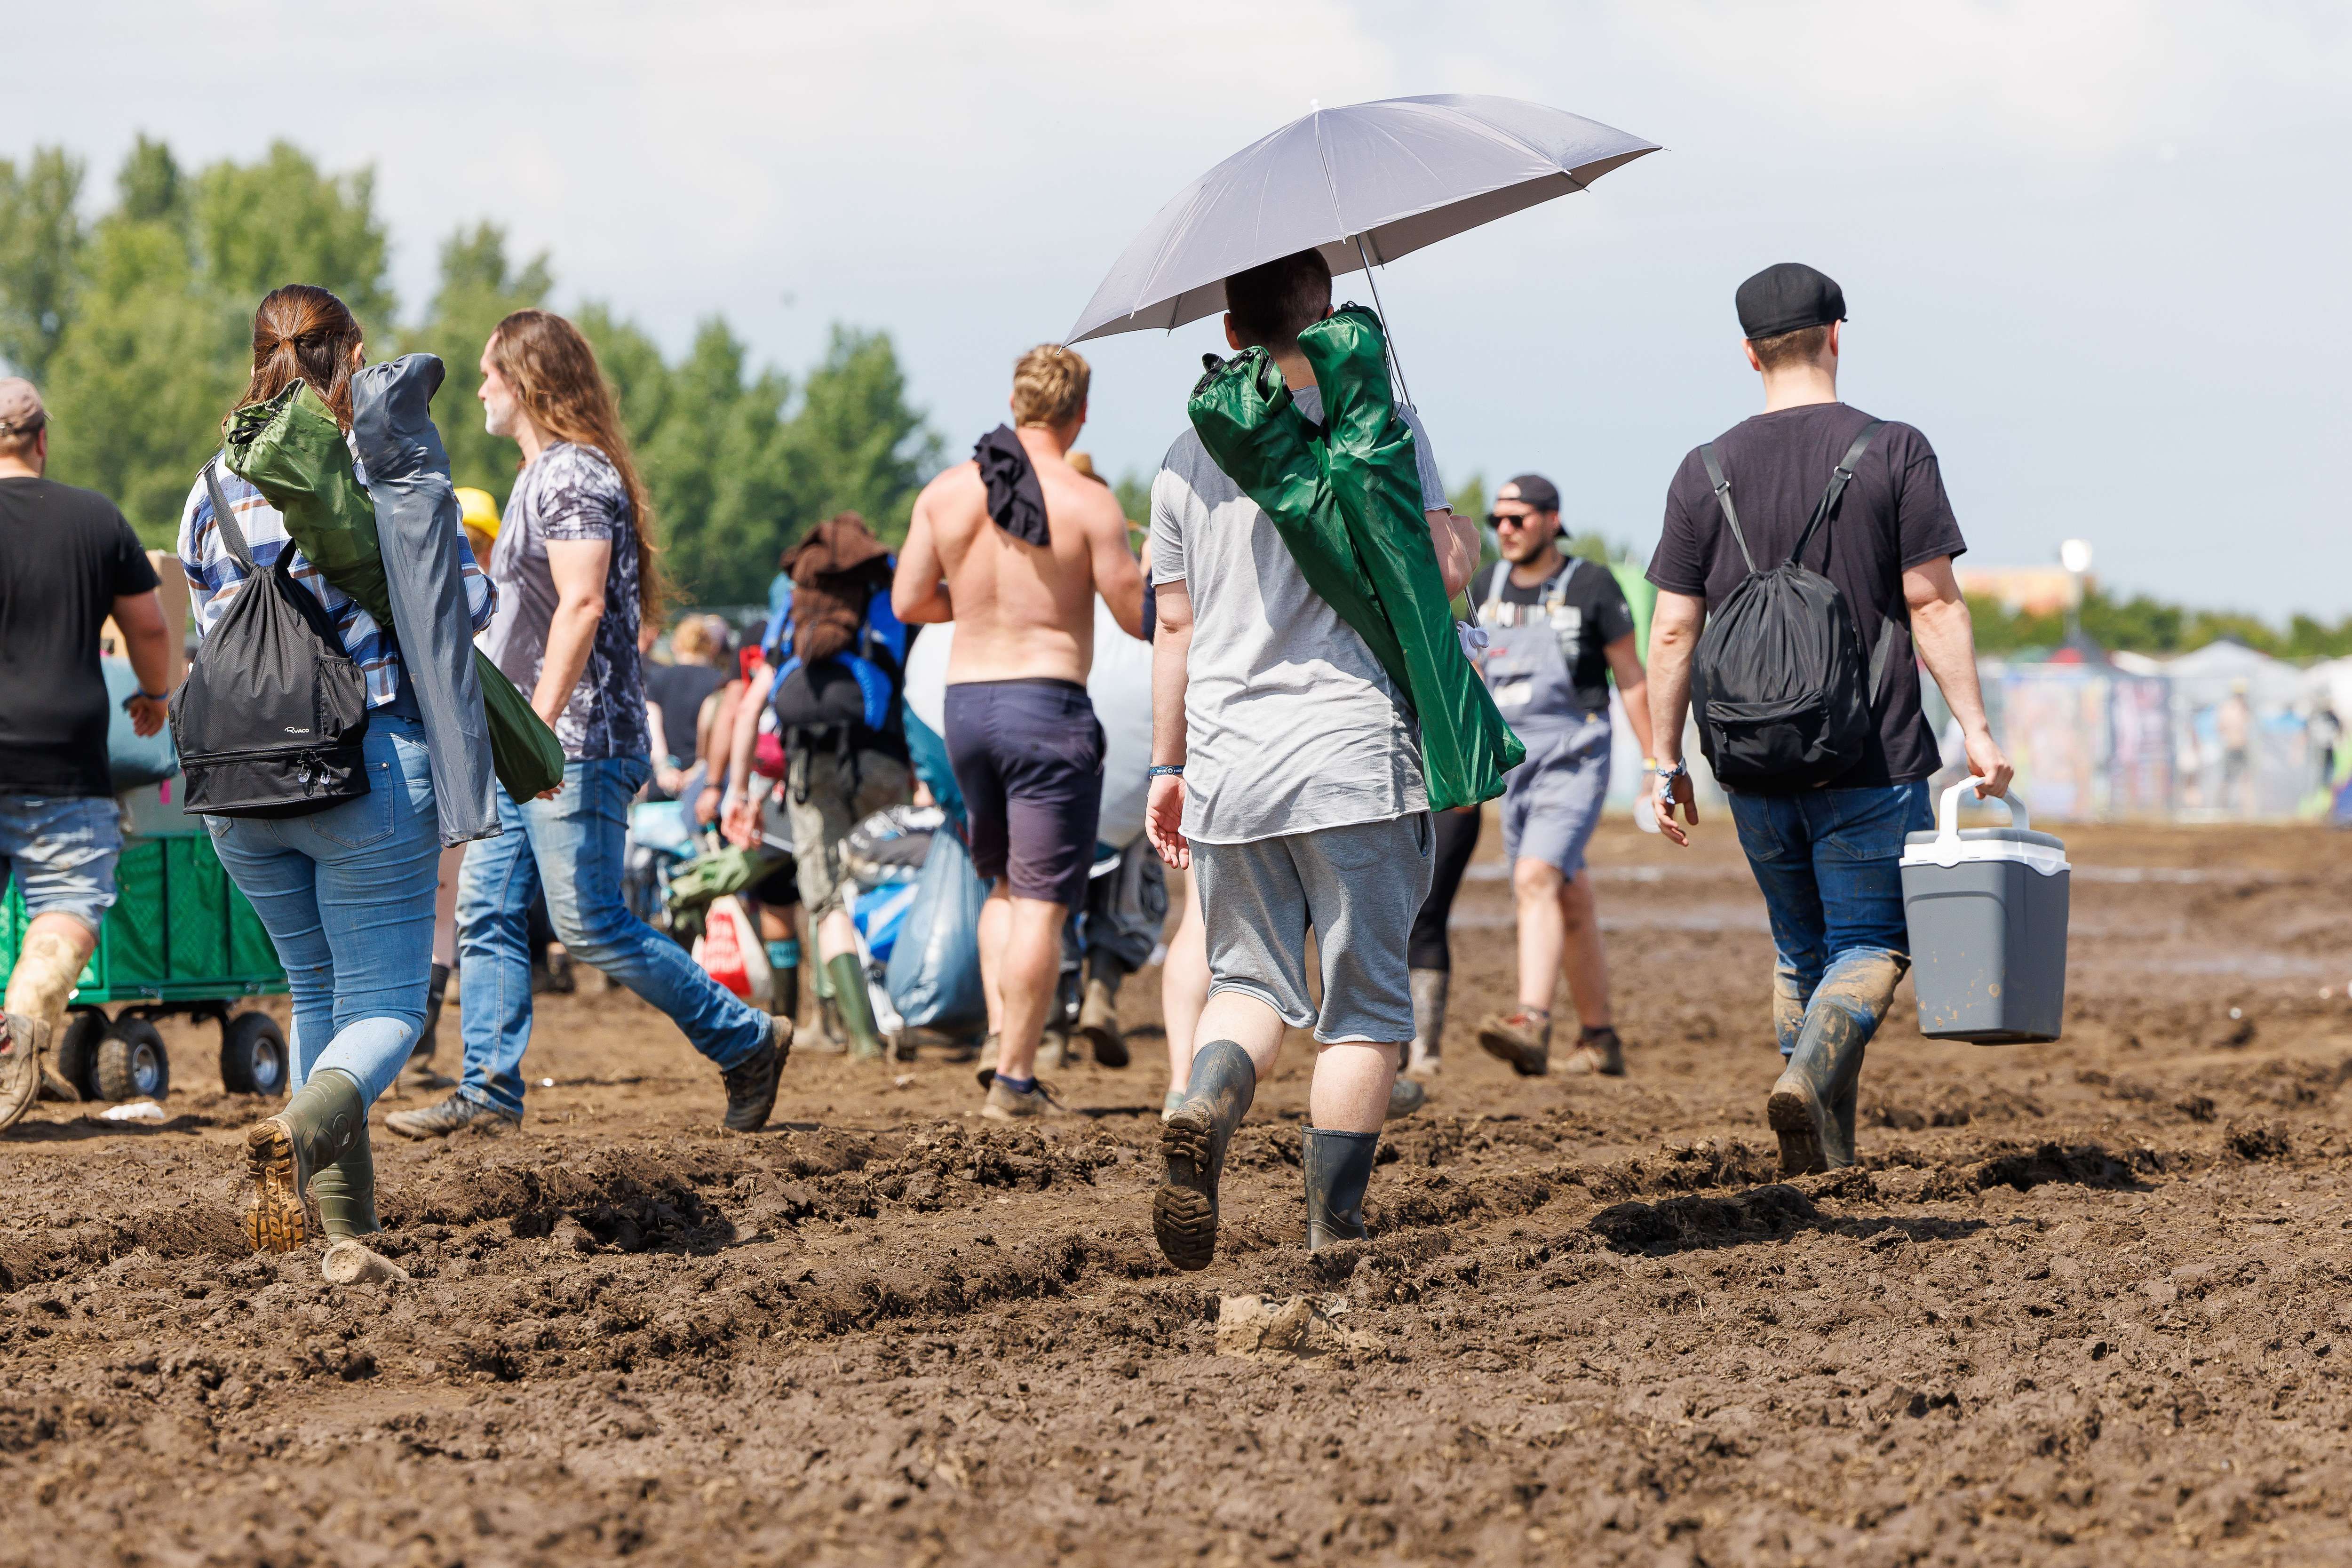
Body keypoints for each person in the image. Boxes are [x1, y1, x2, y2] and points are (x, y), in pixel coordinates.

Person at [1144, 248, 1478, 1266]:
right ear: (1329, 312)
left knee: (1244, 984)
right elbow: (1446, 578)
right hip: (1352, 751)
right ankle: (1334, 1227)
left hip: (1232, 761)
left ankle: (1204, 1094)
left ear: (1232, 330)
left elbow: (1172, 626)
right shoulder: (1377, 424)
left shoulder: (1181, 454)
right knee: (1365, 1008)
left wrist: (1169, 766)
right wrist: (1448, 514)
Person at [1645, 262, 2010, 1176]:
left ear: (1748, 354)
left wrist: (1664, 761)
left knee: (1798, 947)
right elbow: (1932, 604)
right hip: (1869, 752)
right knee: (1872, 942)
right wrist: (1976, 727)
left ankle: (1824, 1158)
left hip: (1749, 761)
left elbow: (1671, 632)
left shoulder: (1703, 471)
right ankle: (1807, 1078)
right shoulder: (1892, 451)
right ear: (1836, 335)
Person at [389, 309, 790, 1141]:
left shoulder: (573, 475)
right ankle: (489, 1091)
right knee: (485, 913)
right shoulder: (544, 477)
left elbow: (582, 602)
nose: (479, 389)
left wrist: (531, 728)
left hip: (574, 744)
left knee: (590, 922)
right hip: (531, 745)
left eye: (489, 372)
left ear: (528, 380)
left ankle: (747, 1038)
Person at [176, 286, 498, 1251]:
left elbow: (213, 620)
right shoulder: (381, 467)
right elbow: (466, 607)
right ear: (351, 354)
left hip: (235, 786)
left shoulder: (208, 486)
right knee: (390, 1006)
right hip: (365, 770)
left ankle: (325, 1228)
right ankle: (292, 1133)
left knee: (315, 993)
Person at [892, 344, 1146, 1118]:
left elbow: (909, 601)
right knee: (1043, 901)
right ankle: (1014, 1077)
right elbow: (1137, 614)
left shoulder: (945, 493)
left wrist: (972, 608)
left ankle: (1003, 1040)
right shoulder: (1088, 502)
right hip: (1047, 706)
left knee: (1002, 884)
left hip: (965, 706)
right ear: (1081, 413)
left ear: (1015, 400)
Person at [0, 378, 173, 1130]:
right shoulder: (95, 516)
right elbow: (153, 628)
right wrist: (155, 695)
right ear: (43, 441)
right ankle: (25, 1020)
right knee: (69, 897)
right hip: (66, 753)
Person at [1467, 473, 1653, 1078]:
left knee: (1534, 877)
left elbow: (1630, 676)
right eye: (1497, 519)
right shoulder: (1481, 585)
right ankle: (1599, 1039)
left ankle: (1530, 1021)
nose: (1504, 530)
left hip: (1573, 757)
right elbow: (1466, 676)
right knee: (1566, 897)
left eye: (1517, 519)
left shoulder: (1591, 585)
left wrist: (1655, 765)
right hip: (1511, 764)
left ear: (1552, 520)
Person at [724, 511, 910, 1061]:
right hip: (881, 758)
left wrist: (738, 790)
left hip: (809, 765)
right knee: (884, 883)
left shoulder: (793, 599)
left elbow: (752, 705)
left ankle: (859, 1037)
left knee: (827, 897)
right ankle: (899, 1016)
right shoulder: (889, 589)